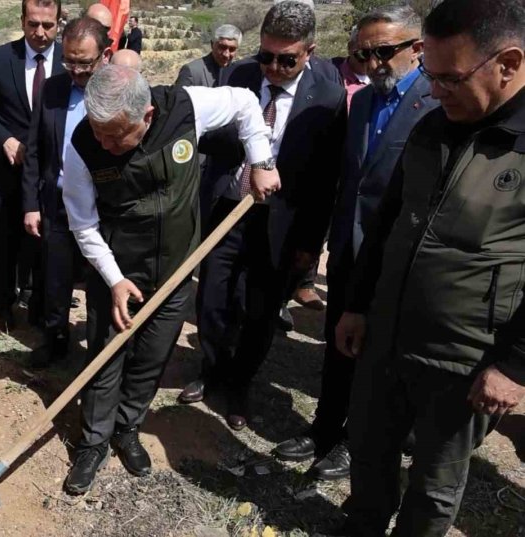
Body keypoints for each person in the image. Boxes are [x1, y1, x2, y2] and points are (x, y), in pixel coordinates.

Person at [334, 0, 525, 534]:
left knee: (435, 483)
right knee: (369, 447)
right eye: (429, 75)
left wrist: (515, 367)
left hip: (465, 358)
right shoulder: (432, 128)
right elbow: (387, 225)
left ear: (507, 63)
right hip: (386, 334)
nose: (433, 90)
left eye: (448, 78)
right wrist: (356, 303)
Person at [61, 64, 279, 494]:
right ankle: (93, 442)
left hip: (179, 267)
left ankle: (127, 428)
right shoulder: (84, 144)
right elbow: (82, 223)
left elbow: (247, 104)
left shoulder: (186, 107)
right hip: (119, 270)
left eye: (115, 134)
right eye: (99, 132)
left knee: (151, 358)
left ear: (145, 116)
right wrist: (114, 279)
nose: (105, 142)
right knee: (106, 356)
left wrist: (261, 161)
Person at [272, 6, 436, 483]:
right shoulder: (360, 103)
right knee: (338, 344)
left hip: (397, 259)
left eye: (384, 51)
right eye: (363, 53)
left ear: (417, 49)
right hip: (348, 249)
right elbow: (348, 181)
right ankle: (323, 429)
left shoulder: (438, 104)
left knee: (376, 357)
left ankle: (353, 441)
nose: (373, 62)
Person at [178, 1, 346, 431]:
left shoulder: (327, 99)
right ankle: (211, 371)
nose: (272, 66)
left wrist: (311, 244)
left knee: (258, 311)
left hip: (279, 227)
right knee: (212, 300)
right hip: (227, 211)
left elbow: (326, 179)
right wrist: (245, 151)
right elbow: (212, 138)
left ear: (309, 52)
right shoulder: (237, 76)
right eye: (265, 55)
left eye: (286, 59)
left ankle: (238, 383)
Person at [0, 0, 63, 332]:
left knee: (45, 242)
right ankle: (4, 304)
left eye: (48, 25)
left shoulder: (70, 61)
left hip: (50, 174)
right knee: (4, 241)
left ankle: (38, 305)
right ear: (22, 21)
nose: (40, 32)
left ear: (58, 22)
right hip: (5, 173)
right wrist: (3, 138)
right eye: (33, 24)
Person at [23, 17, 110, 368]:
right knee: (55, 277)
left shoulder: (121, 89)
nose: (76, 70)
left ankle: (99, 346)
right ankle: (55, 338)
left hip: (104, 206)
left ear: (105, 55)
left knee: (99, 279)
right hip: (57, 202)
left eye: (84, 63)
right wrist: (31, 204)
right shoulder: (54, 89)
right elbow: (34, 150)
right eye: (70, 61)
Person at [175, 24, 242, 87]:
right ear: (212, 44)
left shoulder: (238, 73)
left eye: (232, 49)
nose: (226, 54)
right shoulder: (191, 72)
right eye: (222, 47)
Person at [332, 26, 369, 110]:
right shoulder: (327, 75)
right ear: (350, 47)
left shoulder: (387, 79)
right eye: (362, 53)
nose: (368, 58)